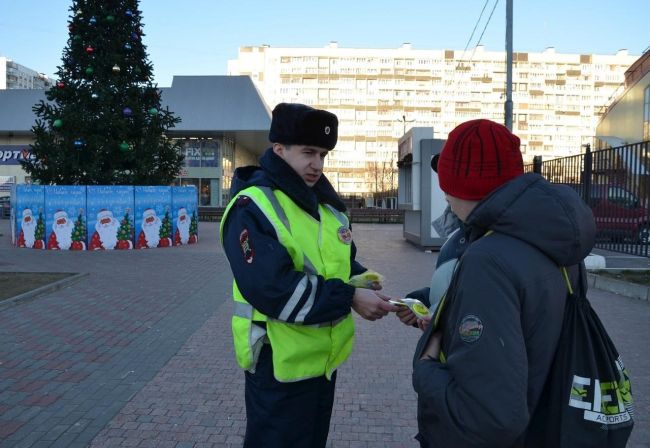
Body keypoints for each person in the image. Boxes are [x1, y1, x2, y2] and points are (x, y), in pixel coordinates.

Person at [220, 102, 398, 448]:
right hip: (277, 365)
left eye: (323, 154)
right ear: (279, 149)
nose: (317, 164)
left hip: (322, 364)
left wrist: (364, 283)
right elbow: (273, 288)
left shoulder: (326, 207)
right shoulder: (253, 206)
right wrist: (350, 298)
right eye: (308, 153)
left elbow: (339, 265)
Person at [409, 119, 596, 447]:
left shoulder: (488, 258)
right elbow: (531, 319)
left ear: (463, 185)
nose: (445, 194)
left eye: (446, 181)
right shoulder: (551, 239)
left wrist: (424, 370)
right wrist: (445, 307)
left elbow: (489, 416)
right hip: (546, 423)